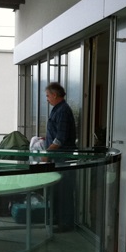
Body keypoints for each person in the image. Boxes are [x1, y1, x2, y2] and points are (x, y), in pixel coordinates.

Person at [44, 82, 77, 231]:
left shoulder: (63, 110)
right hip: (58, 158)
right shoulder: (58, 109)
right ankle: (57, 219)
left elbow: (60, 138)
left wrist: (47, 153)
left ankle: (66, 223)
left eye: (48, 96)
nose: (47, 99)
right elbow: (56, 134)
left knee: (64, 191)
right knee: (58, 190)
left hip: (64, 158)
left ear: (55, 95)